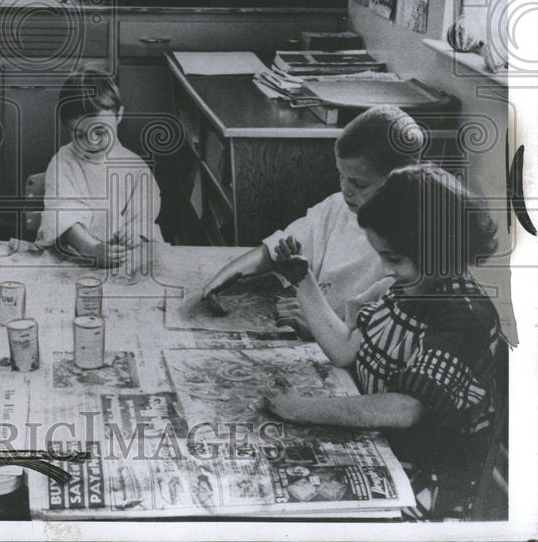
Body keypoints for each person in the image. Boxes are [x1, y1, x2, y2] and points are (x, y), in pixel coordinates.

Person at [266, 164, 504, 519]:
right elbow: (345, 349)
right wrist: (303, 282)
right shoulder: (404, 289)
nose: (386, 268)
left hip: (427, 480)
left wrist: (299, 408)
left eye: (393, 259)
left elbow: (403, 409)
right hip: (382, 444)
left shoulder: (464, 317)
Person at [197, 106, 426, 331]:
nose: (346, 189)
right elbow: (274, 249)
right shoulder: (337, 206)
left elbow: (383, 322)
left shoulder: (410, 240)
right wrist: (229, 273)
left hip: (349, 344)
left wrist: (321, 324)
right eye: (341, 176)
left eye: (359, 183)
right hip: (321, 331)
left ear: (400, 182)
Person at [35, 66, 163, 277]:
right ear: (68, 128)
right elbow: (62, 215)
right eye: (80, 135)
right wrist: (92, 249)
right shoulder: (63, 163)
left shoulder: (135, 166)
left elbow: (144, 217)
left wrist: (135, 235)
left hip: (124, 259)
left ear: (119, 115)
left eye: (100, 132)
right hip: (73, 258)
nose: (91, 142)